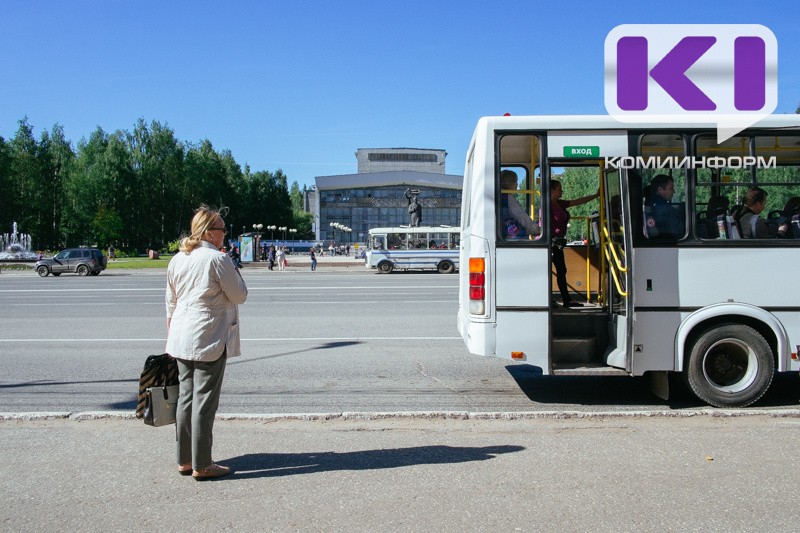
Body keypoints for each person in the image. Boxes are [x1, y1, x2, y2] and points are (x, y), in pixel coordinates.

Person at [165, 205, 248, 480]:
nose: (225, 234)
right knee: (204, 402)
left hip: (180, 337)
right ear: (210, 233)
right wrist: (235, 268)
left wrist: (171, 334)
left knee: (186, 398)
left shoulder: (178, 259)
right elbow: (239, 295)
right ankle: (202, 464)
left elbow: (170, 302)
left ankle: (185, 460)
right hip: (208, 337)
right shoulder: (218, 259)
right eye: (222, 229)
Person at [551, 179, 599, 307]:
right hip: (550, 242)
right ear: (552, 190)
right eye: (559, 189)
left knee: (561, 270)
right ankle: (555, 300)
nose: (562, 191)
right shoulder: (546, 206)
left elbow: (577, 201)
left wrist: (595, 195)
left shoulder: (559, 203)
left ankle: (566, 300)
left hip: (558, 242)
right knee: (552, 271)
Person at [500, 170, 541, 239]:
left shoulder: (499, 196)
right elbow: (520, 216)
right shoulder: (507, 198)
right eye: (516, 181)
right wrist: (536, 229)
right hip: (510, 236)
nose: (517, 184)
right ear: (509, 183)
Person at [648, 174, 685, 238]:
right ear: (660, 189)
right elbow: (679, 233)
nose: (674, 191)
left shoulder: (651, 203)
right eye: (671, 188)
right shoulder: (666, 209)